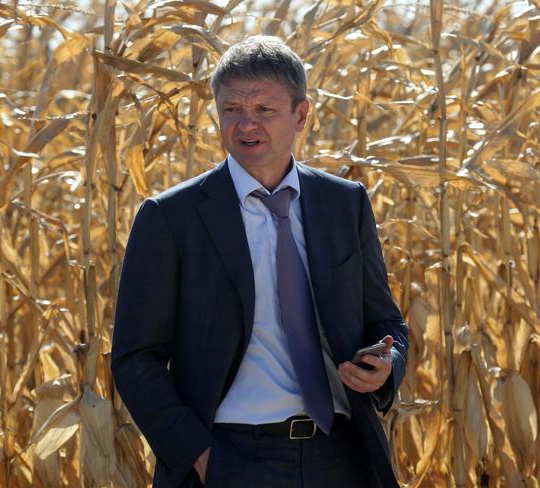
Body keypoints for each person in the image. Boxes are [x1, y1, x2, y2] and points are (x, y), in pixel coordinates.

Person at [111, 36, 408, 488]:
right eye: (232, 109)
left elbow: (386, 323)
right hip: (232, 460)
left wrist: (385, 367)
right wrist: (201, 456)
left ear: (301, 115)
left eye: (264, 110)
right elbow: (135, 358)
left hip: (343, 458)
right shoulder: (171, 217)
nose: (246, 124)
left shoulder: (344, 203)